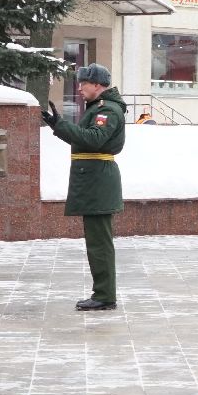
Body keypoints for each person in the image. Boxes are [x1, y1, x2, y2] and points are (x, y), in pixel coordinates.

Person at [42, 64, 126, 310]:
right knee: (96, 241)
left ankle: (104, 296)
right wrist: (57, 125)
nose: (79, 88)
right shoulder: (98, 108)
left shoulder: (107, 110)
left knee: (99, 242)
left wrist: (62, 126)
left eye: (84, 83)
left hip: (98, 182)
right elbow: (85, 136)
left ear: (98, 85)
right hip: (94, 180)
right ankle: (103, 293)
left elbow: (94, 139)